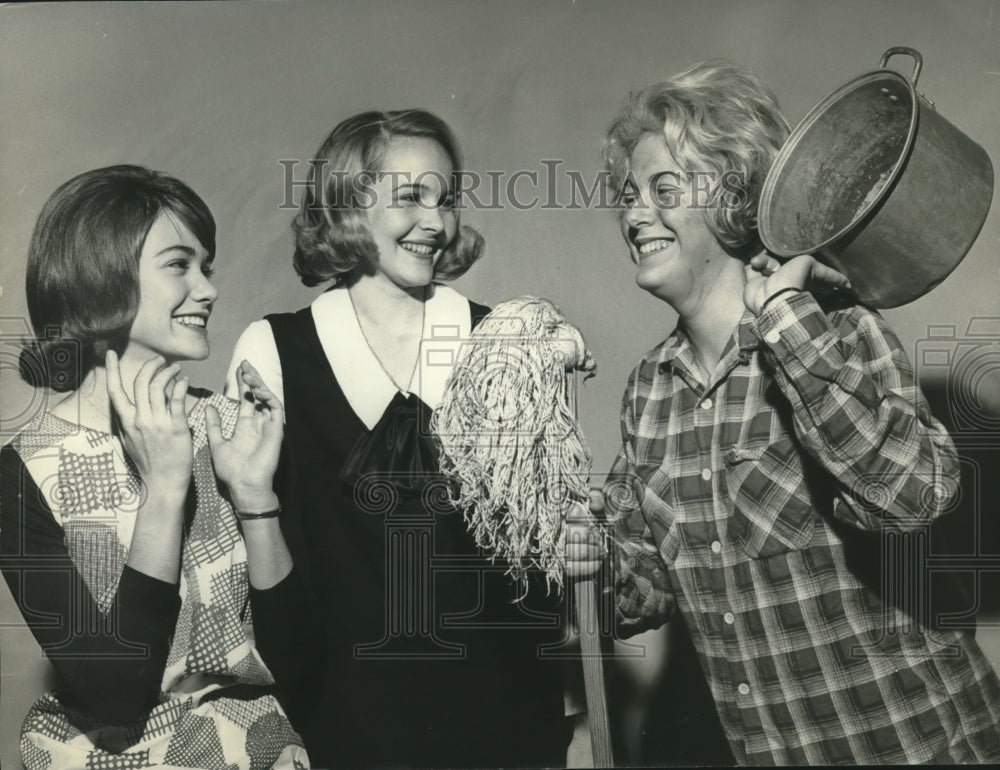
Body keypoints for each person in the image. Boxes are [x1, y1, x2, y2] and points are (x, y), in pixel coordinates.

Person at [566, 61, 1000, 764]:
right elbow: (639, 595)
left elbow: (919, 495)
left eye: (663, 189)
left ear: (735, 201)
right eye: (628, 194)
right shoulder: (647, 393)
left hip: (922, 747)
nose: (634, 214)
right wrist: (589, 559)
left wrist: (789, 322)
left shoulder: (838, 329)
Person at [226, 109, 574, 768]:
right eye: (410, 197)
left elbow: (541, 564)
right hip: (342, 727)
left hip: (506, 722)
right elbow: (262, 561)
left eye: (445, 200)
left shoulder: (497, 338)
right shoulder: (272, 350)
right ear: (347, 206)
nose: (436, 222)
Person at [0, 165, 310, 769]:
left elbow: (301, 664)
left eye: (207, 266)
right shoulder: (20, 474)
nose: (209, 288)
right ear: (100, 280)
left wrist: (253, 494)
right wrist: (165, 489)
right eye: (178, 265)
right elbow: (115, 690)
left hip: (259, 750)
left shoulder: (239, 429)